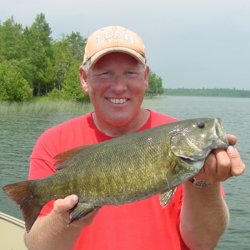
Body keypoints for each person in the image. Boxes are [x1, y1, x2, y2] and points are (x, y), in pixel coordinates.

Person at [24, 26, 245, 250]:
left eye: (130, 73)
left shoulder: (180, 147)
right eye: (105, 73)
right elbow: (37, 246)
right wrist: (65, 219)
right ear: (84, 78)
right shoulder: (52, 143)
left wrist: (204, 182)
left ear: (146, 77)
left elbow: (203, 243)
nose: (119, 87)